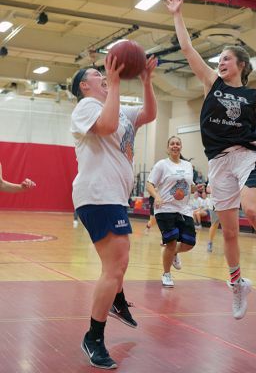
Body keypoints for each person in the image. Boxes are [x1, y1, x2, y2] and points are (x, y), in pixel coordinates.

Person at [166, 0, 256, 319]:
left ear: (241, 66)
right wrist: (177, 15)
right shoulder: (212, 84)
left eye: (226, 59)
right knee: (230, 230)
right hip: (218, 163)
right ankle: (237, 284)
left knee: (251, 209)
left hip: (248, 155)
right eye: (218, 59)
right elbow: (187, 49)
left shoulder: (253, 95)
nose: (220, 63)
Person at [70, 53, 157, 369]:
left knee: (120, 261)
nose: (103, 75)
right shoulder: (87, 107)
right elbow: (105, 127)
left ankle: (118, 300)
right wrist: (117, 83)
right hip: (97, 193)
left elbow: (149, 113)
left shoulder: (118, 109)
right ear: (85, 85)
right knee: (115, 264)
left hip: (114, 196)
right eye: (97, 73)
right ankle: (93, 337)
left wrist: (147, 81)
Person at [146, 136, 197, 288]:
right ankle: (167, 274)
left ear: (181, 147)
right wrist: (157, 196)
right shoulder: (162, 165)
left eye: (178, 143)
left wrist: (197, 188)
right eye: (172, 144)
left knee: (189, 243)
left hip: (184, 210)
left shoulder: (188, 165)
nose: (175, 146)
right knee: (171, 242)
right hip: (165, 209)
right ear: (168, 148)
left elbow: (190, 186)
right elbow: (149, 184)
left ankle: (174, 253)